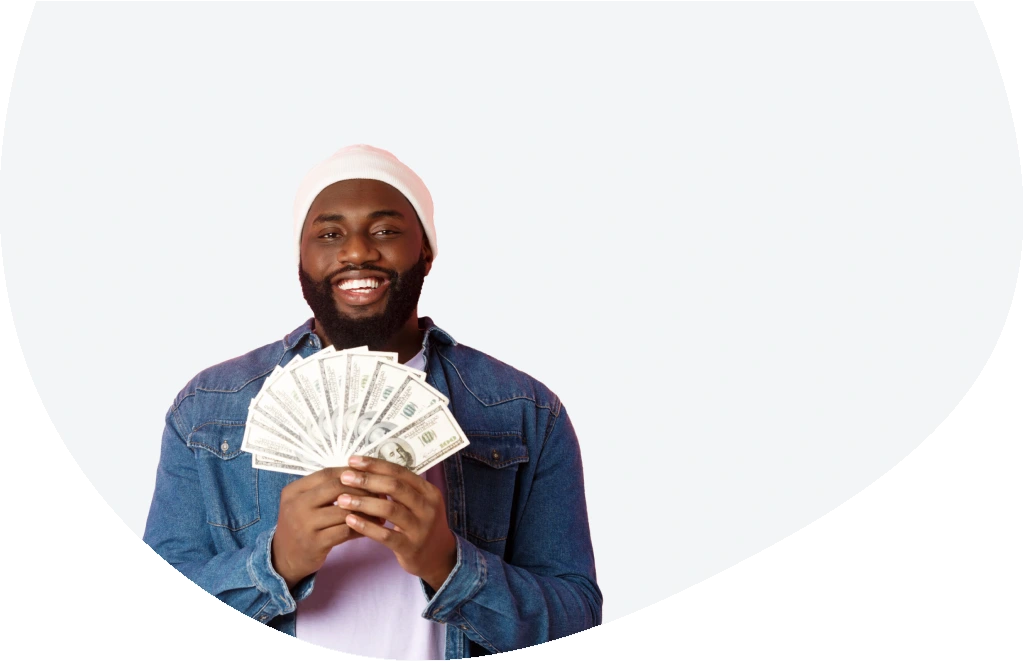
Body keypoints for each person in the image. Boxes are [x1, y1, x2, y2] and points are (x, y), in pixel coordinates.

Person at [143, 144, 602, 659]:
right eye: (329, 234)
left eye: (385, 231)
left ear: (426, 251)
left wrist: (450, 564)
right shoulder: (206, 409)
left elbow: (574, 615)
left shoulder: (524, 411)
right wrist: (274, 563)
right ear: (301, 256)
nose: (357, 251)